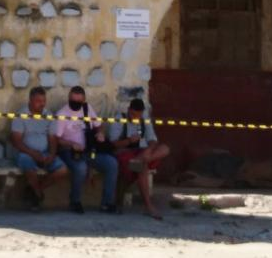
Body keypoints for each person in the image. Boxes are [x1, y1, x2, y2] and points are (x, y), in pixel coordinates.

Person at [53, 86, 118, 214]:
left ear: (83, 101)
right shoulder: (62, 114)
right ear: (68, 99)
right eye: (73, 100)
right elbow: (56, 140)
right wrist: (71, 144)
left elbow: (100, 126)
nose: (75, 104)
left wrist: (100, 134)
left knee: (112, 163)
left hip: (89, 150)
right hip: (69, 151)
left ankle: (107, 203)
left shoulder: (87, 109)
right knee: (81, 167)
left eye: (79, 102)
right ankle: (75, 201)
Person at [107, 98, 169, 220]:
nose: (136, 117)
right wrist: (129, 140)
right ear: (129, 110)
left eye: (138, 115)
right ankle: (149, 206)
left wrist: (149, 150)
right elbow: (114, 144)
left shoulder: (144, 120)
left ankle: (142, 159)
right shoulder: (120, 119)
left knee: (165, 148)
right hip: (126, 153)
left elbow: (152, 139)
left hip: (143, 153)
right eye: (133, 114)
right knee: (142, 166)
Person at [11, 86, 69, 212]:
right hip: (25, 153)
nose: (42, 104)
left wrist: (52, 154)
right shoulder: (21, 115)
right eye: (38, 101)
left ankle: (35, 190)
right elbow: (16, 142)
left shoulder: (48, 115)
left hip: (44, 153)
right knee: (27, 162)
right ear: (30, 101)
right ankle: (37, 196)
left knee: (62, 170)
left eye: (43, 101)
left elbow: (52, 138)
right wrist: (33, 154)